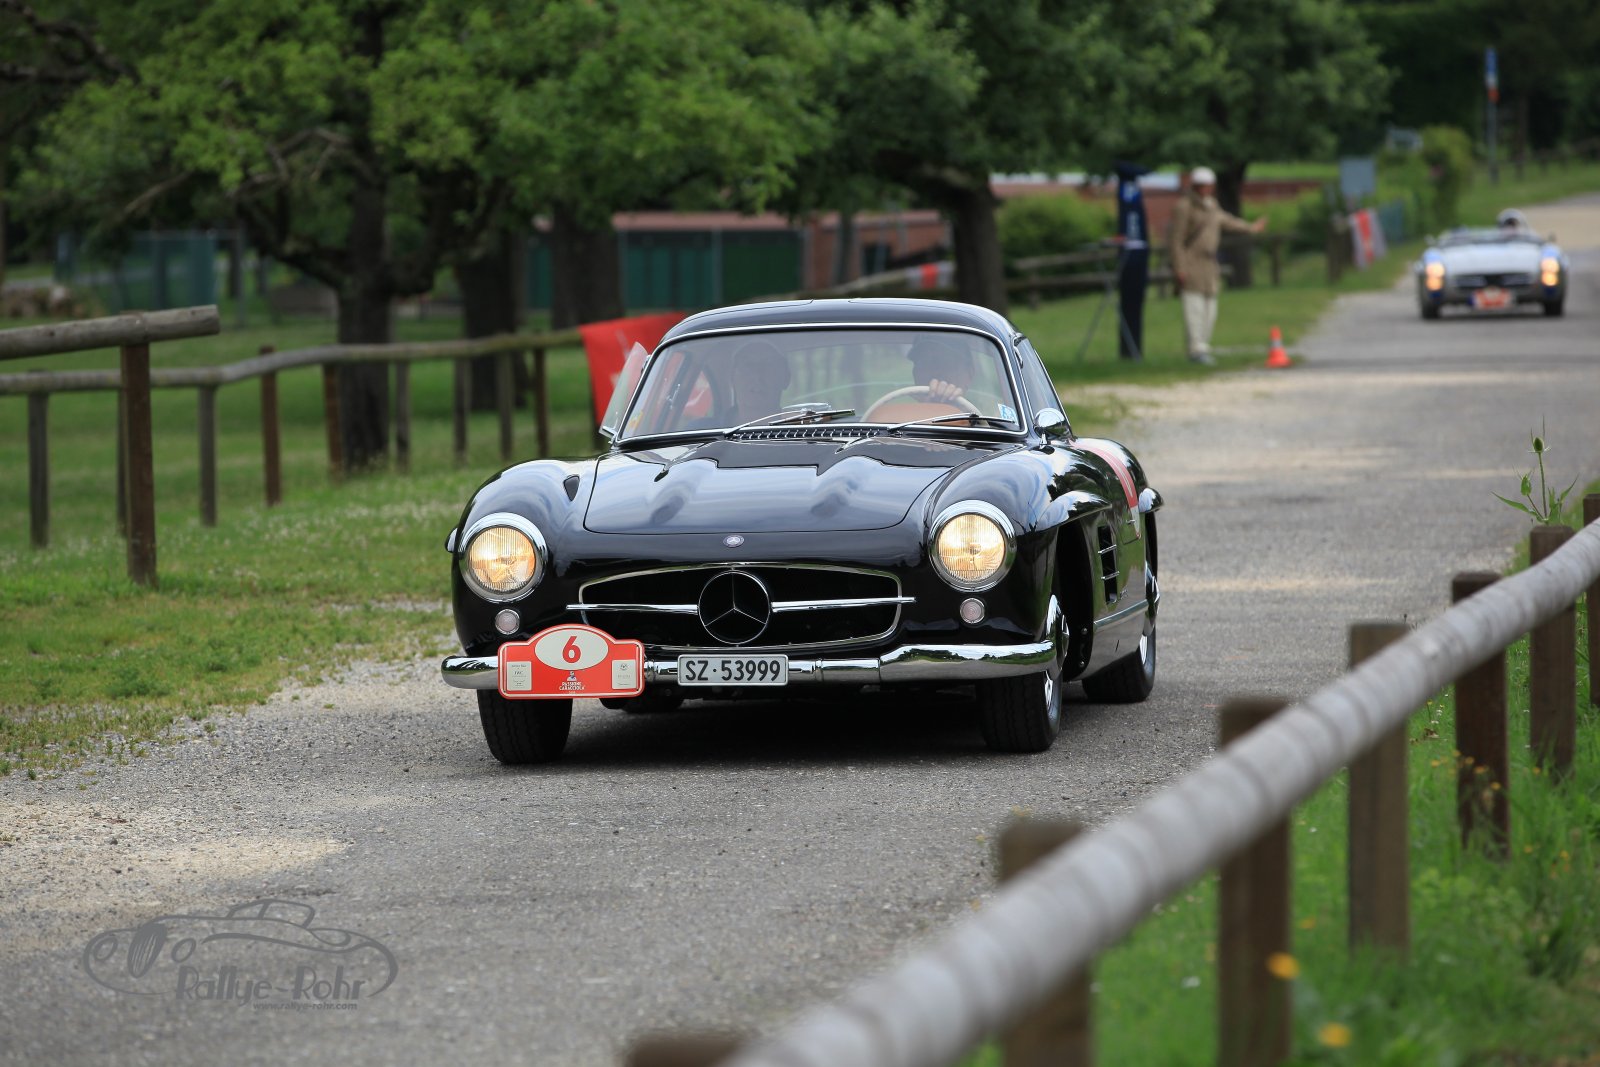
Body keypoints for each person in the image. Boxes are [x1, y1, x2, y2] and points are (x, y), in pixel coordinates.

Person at [1168, 165, 1267, 365]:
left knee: (1210, 308)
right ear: (1196, 186)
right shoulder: (1184, 207)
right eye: (1204, 185)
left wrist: (1250, 227)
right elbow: (1176, 241)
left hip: (1209, 263)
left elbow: (1226, 221)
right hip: (1191, 261)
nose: (1208, 188)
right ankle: (1196, 349)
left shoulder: (1212, 205)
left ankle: (1203, 345)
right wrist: (1179, 267)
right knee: (1194, 307)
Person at [727, 340, 790, 423]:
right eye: (748, 365)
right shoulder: (710, 429)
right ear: (732, 378)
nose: (757, 376)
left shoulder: (802, 428)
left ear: (786, 378)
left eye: (768, 365)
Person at [906, 335, 975, 403]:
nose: (935, 373)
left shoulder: (980, 408)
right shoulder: (902, 408)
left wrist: (955, 406)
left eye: (946, 362)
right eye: (924, 363)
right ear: (915, 372)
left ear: (969, 374)